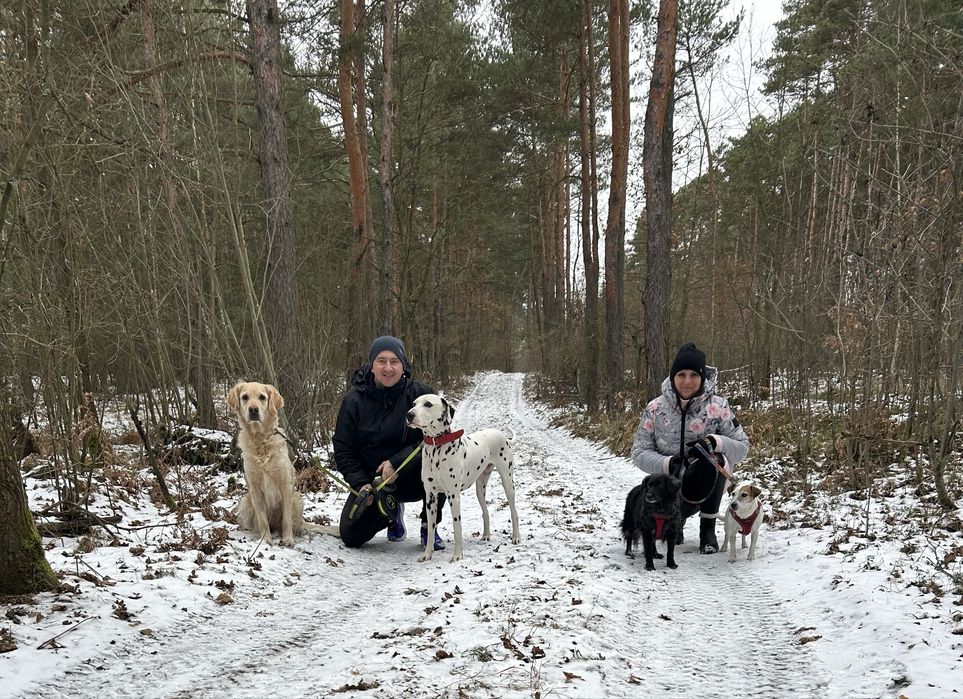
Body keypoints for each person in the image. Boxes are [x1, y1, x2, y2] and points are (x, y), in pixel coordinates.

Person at [630, 342, 749, 553]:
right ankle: (675, 522)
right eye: (681, 374)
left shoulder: (718, 406)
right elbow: (639, 453)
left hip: (704, 482)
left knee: (716, 461)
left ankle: (707, 530)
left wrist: (715, 442)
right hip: (669, 483)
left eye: (694, 375)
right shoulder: (655, 408)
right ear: (673, 376)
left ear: (702, 377)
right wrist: (667, 463)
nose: (687, 381)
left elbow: (742, 447)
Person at [333, 336, 445, 550]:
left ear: (403, 365)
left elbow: (436, 440)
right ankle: (391, 515)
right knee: (351, 535)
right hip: (375, 482)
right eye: (381, 361)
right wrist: (360, 483)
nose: (388, 367)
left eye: (394, 361)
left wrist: (396, 462)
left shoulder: (422, 395)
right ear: (371, 365)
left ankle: (428, 525)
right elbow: (343, 449)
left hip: (415, 475)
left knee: (440, 466)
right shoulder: (353, 401)